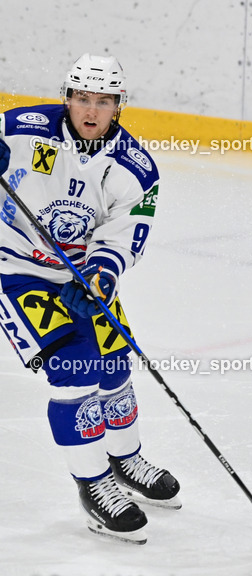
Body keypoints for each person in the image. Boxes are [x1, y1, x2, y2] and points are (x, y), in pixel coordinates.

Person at [0, 54, 178, 544]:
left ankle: (125, 458)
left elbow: (124, 237)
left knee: (115, 364)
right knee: (76, 369)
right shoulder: (19, 128)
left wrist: (99, 275)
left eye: (104, 100)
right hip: (15, 271)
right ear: (67, 97)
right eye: (82, 98)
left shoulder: (136, 169)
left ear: (119, 105)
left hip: (81, 274)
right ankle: (93, 483)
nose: (91, 109)